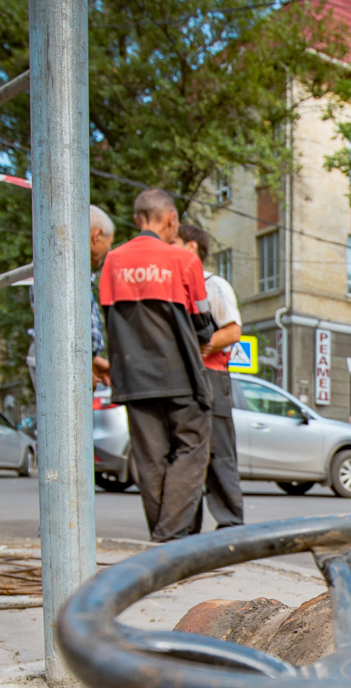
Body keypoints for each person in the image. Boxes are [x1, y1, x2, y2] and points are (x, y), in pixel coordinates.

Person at [100, 188, 210, 542]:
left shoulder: (112, 261)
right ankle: (169, 537)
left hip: (132, 377)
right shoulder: (184, 261)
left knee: (149, 458)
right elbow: (202, 323)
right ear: (171, 220)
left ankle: (165, 535)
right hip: (179, 374)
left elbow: (108, 318)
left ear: (137, 219)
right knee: (192, 448)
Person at [175, 222, 244, 530]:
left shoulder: (212, 284)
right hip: (182, 380)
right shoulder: (173, 285)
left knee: (219, 455)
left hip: (212, 377)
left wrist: (200, 347)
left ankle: (230, 526)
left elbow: (232, 331)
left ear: (191, 247)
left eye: (173, 241)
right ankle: (187, 531)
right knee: (187, 456)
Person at [88, 205, 114, 384]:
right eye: (109, 244)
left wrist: (91, 359)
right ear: (97, 236)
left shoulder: (80, 272)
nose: (108, 252)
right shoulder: (60, 266)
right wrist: (78, 364)